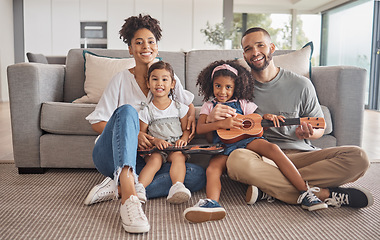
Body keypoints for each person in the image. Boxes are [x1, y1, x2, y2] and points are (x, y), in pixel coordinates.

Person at [206, 27, 373, 209]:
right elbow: (217, 137)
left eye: (260, 45)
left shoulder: (301, 84)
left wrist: (309, 133)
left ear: (272, 47)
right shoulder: (236, 89)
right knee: (236, 161)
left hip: (299, 155)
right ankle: (323, 193)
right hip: (259, 157)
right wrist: (213, 120)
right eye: (248, 49)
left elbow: (319, 128)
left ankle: (270, 189)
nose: (255, 52)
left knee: (359, 157)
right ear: (244, 56)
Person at [82, 14, 206, 234]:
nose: (145, 46)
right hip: (111, 155)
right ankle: (129, 199)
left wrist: (190, 117)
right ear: (130, 49)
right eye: (138, 42)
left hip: (149, 160)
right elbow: (97, 122)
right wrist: (134, 134)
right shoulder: (120, 79)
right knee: (128, 111)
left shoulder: (168, 78)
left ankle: (119, 187)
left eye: (150, 41)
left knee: (196, 174)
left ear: (157, 47)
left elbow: (187, 104)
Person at [183, 60, 328, 223]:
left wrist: (267, 117)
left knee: (273, 149)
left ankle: (305, 192)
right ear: (211, 85)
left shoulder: (243, 103)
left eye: (228, 87)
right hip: (223, 146)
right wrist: (222, 124)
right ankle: (212, 203)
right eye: (218, 86)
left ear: (235, 87)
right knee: (212, 169)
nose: (222, 91)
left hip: (248, 141)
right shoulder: (209, 105)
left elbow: (255, 120)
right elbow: (201, 128)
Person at [137, 61, 192, 204]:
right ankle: (139, 189)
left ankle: (177, 186)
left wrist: (184, 139)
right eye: (154, 79)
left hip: (174, 147)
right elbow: (142, 135)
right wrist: (155, 141)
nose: (159, 83)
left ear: (172, 84)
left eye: (164, 79)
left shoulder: (180, 108)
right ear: (148, 83)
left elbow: (186, 130)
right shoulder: (146, 110)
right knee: (155, 161)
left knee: (179, 157)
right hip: (156, 149)